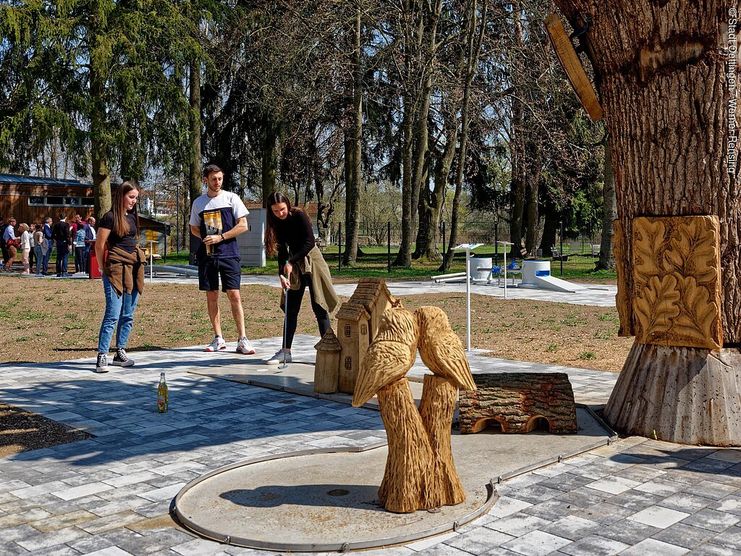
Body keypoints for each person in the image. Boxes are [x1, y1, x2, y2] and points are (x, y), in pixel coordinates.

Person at [262, 191, 340, 364]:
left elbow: (309, 243)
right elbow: (282, 250)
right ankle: (285, 351)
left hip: (312, 261)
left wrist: (291, 261)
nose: (280, 213)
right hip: (294, 264)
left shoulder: (299, 215)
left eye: (282, 209)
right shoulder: (275, 222)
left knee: (319, 306)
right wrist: (281, 274)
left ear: (288, 205)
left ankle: (330, 352)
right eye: (275, 211)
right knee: (291, 309)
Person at [189, 164, 255, 354]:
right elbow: (194, 227)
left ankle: (242, 338)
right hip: (208, 256)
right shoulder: (199, 203)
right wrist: (205, 238)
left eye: (220, 178)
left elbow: (242, 225)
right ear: (205, 180)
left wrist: (221, 237)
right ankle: (218, 338)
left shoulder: (231, 198)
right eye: (213, 179)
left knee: (234, 295)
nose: (217, 182)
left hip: (229, 254)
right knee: (212, 296)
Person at [94, 181, 147, 373]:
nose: (134, 201)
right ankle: (102, 355)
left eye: (136, 198)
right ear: (121, 196)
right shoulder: (109, 217)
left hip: (132, 268)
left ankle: (120, 352)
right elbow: (99, 245)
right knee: (112, 314)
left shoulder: (132, 217)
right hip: (115, 268)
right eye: (131, 197)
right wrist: (102, 268)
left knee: (128, 313)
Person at [52, 213, 71, 277]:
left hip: (58, 242)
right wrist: (69, 243)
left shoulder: (56, 225)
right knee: (65, 256)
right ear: (65, 217)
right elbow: (67, 234)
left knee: (58, 257)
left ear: (59, 218)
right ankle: (64, 271)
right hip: (64, 242)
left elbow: (53, 235)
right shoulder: (66, 224)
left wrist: (57, 239)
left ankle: (58, 272)